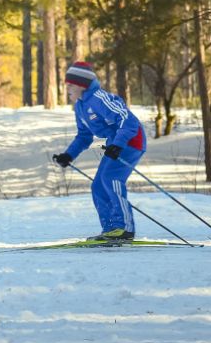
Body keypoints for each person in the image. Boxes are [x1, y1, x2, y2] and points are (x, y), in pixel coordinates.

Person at [51, 61, 147, 241]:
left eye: (70, 85)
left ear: (81, 85)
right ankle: (111, 229)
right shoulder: (80, 106)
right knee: (98, 185)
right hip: (115, 143)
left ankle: (124, 229)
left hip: (131, 141)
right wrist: (68, 155)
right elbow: (84, 136)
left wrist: (118, 144)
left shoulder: (99, 99)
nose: (67, 89)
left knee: (111, 178)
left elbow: (128, 120)